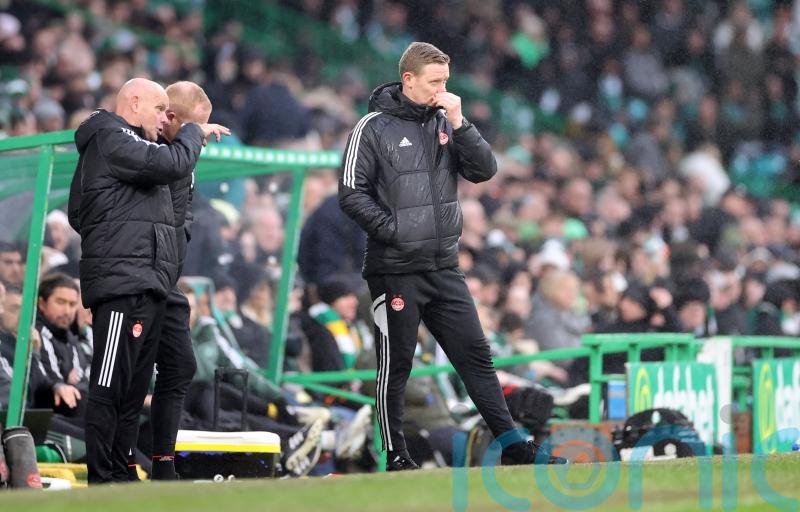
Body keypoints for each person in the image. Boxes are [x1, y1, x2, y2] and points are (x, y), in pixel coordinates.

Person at [338, 42, 566, 470]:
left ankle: (514, 446)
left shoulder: (446, 121)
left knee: (476, 357)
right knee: (397, 364)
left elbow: (484, 171)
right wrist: (395, 232)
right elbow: (351, 192)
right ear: (408, 80)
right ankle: (395, 454)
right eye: (435, 82)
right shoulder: (371, 127)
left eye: (446, 81)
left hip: (443, 266)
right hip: (395, 270)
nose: (444, 90)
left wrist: (460, 123)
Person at [67, 77, 228, 484]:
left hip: (149, 277)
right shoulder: (110, 136)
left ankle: (124, 469)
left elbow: (164, 208)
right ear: (134, 103)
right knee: (110, 382)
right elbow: (82, 213)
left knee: (135, 385)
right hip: (124, 278)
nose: (163, 117)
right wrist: (118, 235)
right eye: (159, 110)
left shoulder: (138, 150)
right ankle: (103, 476)